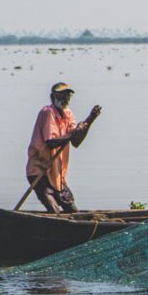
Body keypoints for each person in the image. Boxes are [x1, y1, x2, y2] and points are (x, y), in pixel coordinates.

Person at [25, 82, 101, 213]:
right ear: (52, 96)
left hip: (58, 175)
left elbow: (76, 142)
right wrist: (73, 133)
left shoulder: (68, 114)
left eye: (67, 95)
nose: (65, 98)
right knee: (55, 212)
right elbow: (50, 142)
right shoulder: (47, 112)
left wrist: (90, 120)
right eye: (61, 95)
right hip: (40, 172)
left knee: (73, 211)